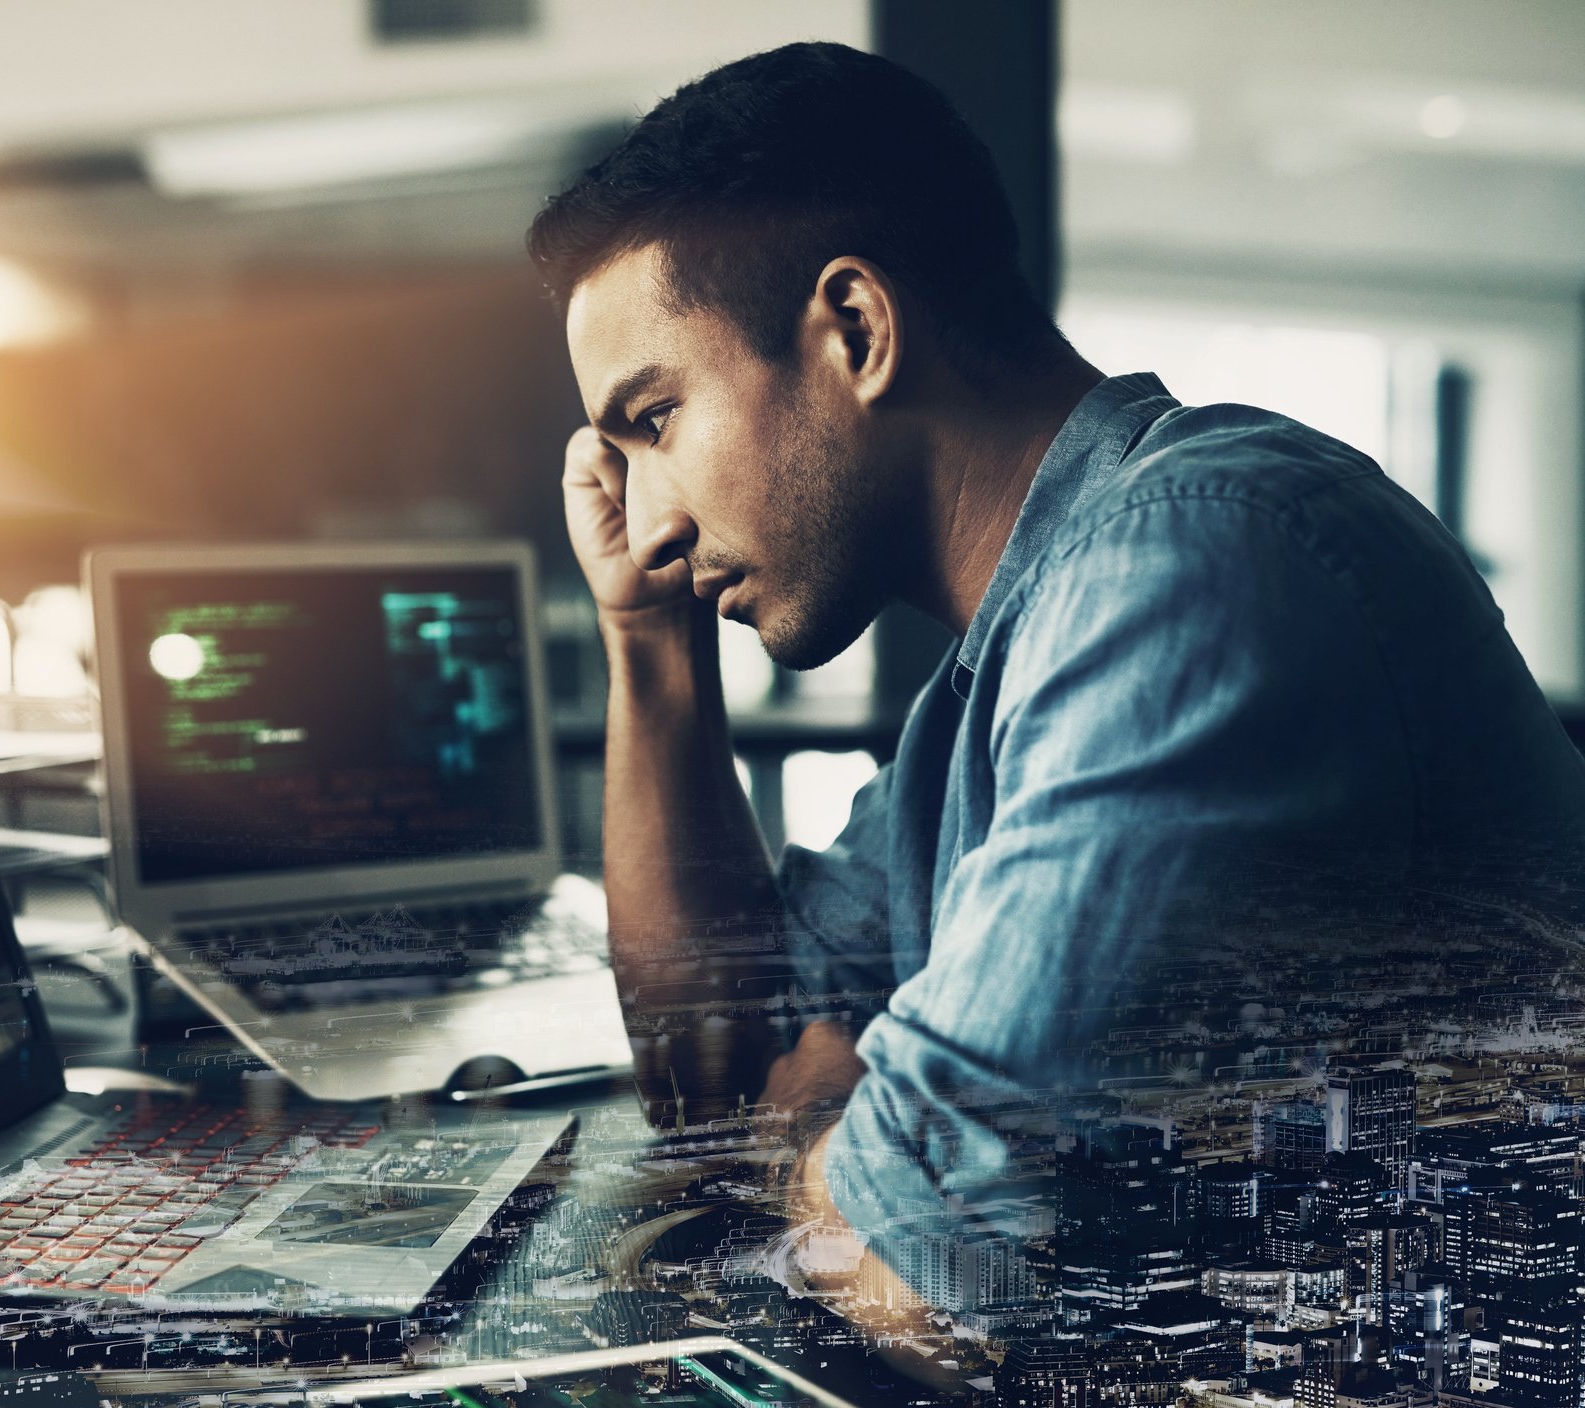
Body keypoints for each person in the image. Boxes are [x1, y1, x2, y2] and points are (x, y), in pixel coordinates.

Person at [526, 41, 1585, 1320]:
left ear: (855, 330)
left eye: (653, 419)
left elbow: (936, 1269)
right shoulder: (989, 683)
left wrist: (829, 1125)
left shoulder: (1193, 567)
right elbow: (717, 1075)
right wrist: (647, 640)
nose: (643, 524)